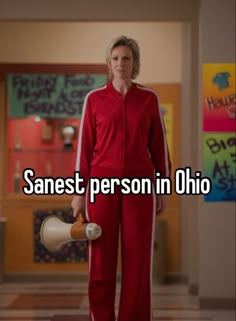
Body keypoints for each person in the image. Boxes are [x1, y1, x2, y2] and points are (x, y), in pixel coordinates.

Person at [71, 35, 171, 321]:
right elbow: (84, 149)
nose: (120, 64)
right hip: (100, 187)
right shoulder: (94, 99)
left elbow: (159, 148)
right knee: (100, 260)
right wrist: (78, 192)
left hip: (140, 188)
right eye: (115, 58)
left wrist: (162, 189)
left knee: (138, 262)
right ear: (108, 62)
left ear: (134, 62)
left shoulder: (149, 99)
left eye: (126, 58)